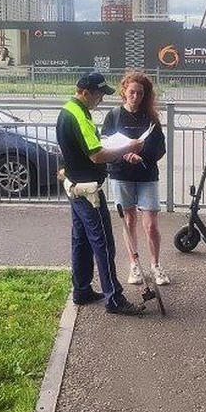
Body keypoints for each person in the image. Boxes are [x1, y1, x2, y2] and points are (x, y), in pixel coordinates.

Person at [56, 70, 147, 316]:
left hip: (74, 187)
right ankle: (114, 299)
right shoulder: (79, 115)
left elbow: (75, 148)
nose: (101, 100)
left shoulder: (67, 110)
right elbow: (96, 155)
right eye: (98, 95)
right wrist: (128, 145)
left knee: (81, 240)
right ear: (85, 93)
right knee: (104, 243)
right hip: (88, 192)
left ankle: (82, 290)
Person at [102, 71, 169, 286]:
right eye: (132, 92)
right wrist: (124, 155)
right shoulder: (113, 116)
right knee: (129, 220)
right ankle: (134, 265)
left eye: (140, 93)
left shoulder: (151, 118)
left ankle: (155, 265)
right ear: (124, 92)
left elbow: (160, 148)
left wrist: (141, 155)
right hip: (121, 174)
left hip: (147, 175)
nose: (135, 97)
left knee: (150, 224)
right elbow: (105, 145)